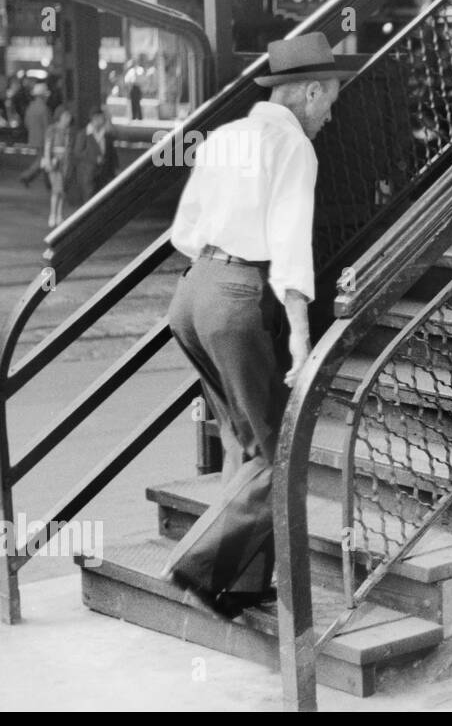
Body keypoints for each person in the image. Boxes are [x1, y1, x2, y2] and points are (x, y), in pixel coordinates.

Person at [163, 33, 351, 617]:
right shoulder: (292, 146)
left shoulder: (226, 137)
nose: (329, 114)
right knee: (280, 455)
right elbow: (292, 252)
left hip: (192, 294)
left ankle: (239, 584)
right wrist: (300, 338)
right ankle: (196, 566)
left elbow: (185, 230)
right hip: (238, 298)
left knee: (246, 445)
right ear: (311, 91)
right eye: (330, 101)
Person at [70, 108, 118, 198]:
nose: (104, 120)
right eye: (102, 118)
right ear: (95, 119)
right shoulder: (83, 134)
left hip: (103, 173)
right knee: (89, 198)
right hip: (88, 173)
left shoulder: (106, 134)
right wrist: (94, 159)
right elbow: (77, 153)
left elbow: (112, 149)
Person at [41, 109, 74, 229]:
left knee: (62, 190)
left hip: (65, 162)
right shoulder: (52, 129)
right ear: (60, 116)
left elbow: (69, 147)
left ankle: (59, 214)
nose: (68, 119)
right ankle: (53, 214)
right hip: (55, 161)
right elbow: (48, 146)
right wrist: (48, 160)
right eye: (66, 116)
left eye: (69, 116)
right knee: (57, 188)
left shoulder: (68, 131)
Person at [19, 83, 50, 187]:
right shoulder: (44, 109)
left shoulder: (30, 107)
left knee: (43, 159)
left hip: (33, 138)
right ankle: (26, 176)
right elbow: (48, 126)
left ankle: (46, 181)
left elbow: (26, 122)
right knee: (42, 160)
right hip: (43, 139)